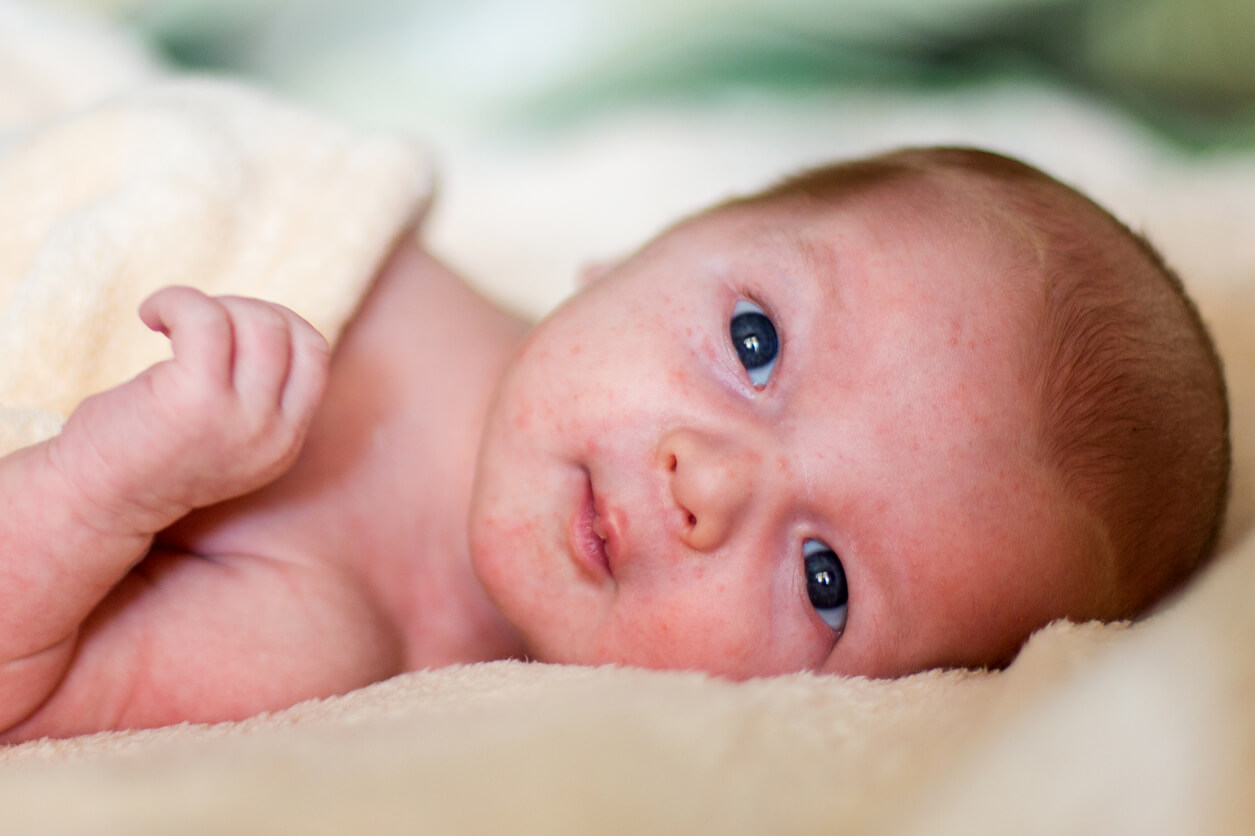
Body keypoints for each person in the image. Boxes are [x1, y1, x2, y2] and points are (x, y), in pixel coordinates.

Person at [0, 138, 1228, 742]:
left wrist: (107, 477)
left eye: (824, 579)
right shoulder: (374, 232)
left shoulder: (318, 629)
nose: (712, 482)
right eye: (753, 340)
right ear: (654, 242)